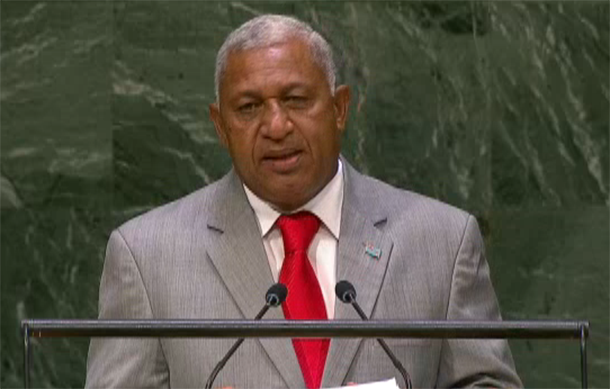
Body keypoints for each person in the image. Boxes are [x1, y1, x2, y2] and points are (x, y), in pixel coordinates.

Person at [85, 14, 523, 389]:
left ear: (339, 108)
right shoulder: (146, 255)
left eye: (296, 100)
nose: (276, 126)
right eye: (249, 107)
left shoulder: (442, 241)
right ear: (220, 126)